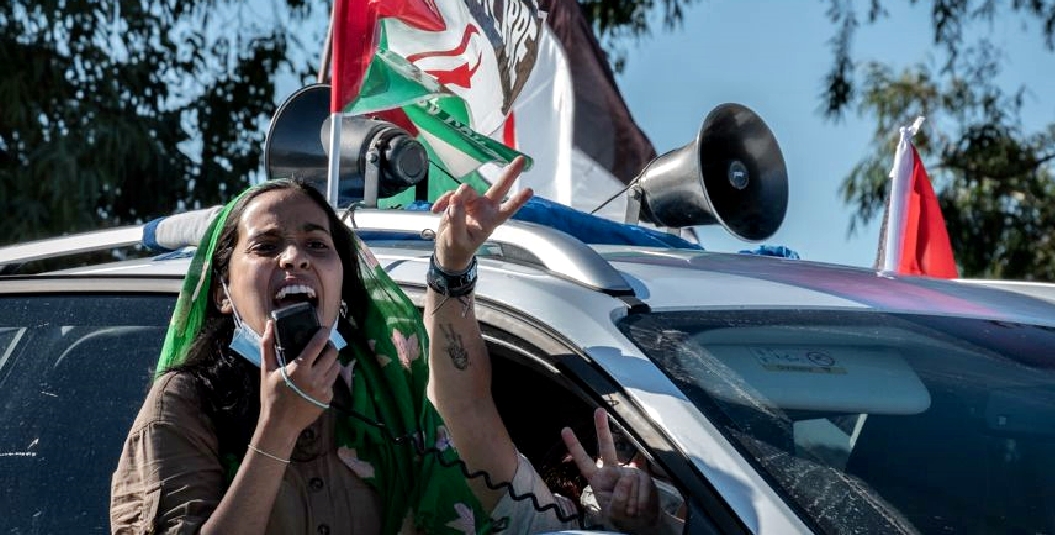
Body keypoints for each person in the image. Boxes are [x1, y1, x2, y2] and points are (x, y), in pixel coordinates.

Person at [110, 157, 672, 534]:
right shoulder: (184, 404)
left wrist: (452, 268)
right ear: (223, 292)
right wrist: (277, 428)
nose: (295, 258)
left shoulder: (382, 390)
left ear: (341, 281)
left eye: (316, 244)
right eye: (266, 246)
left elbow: (465, 408)